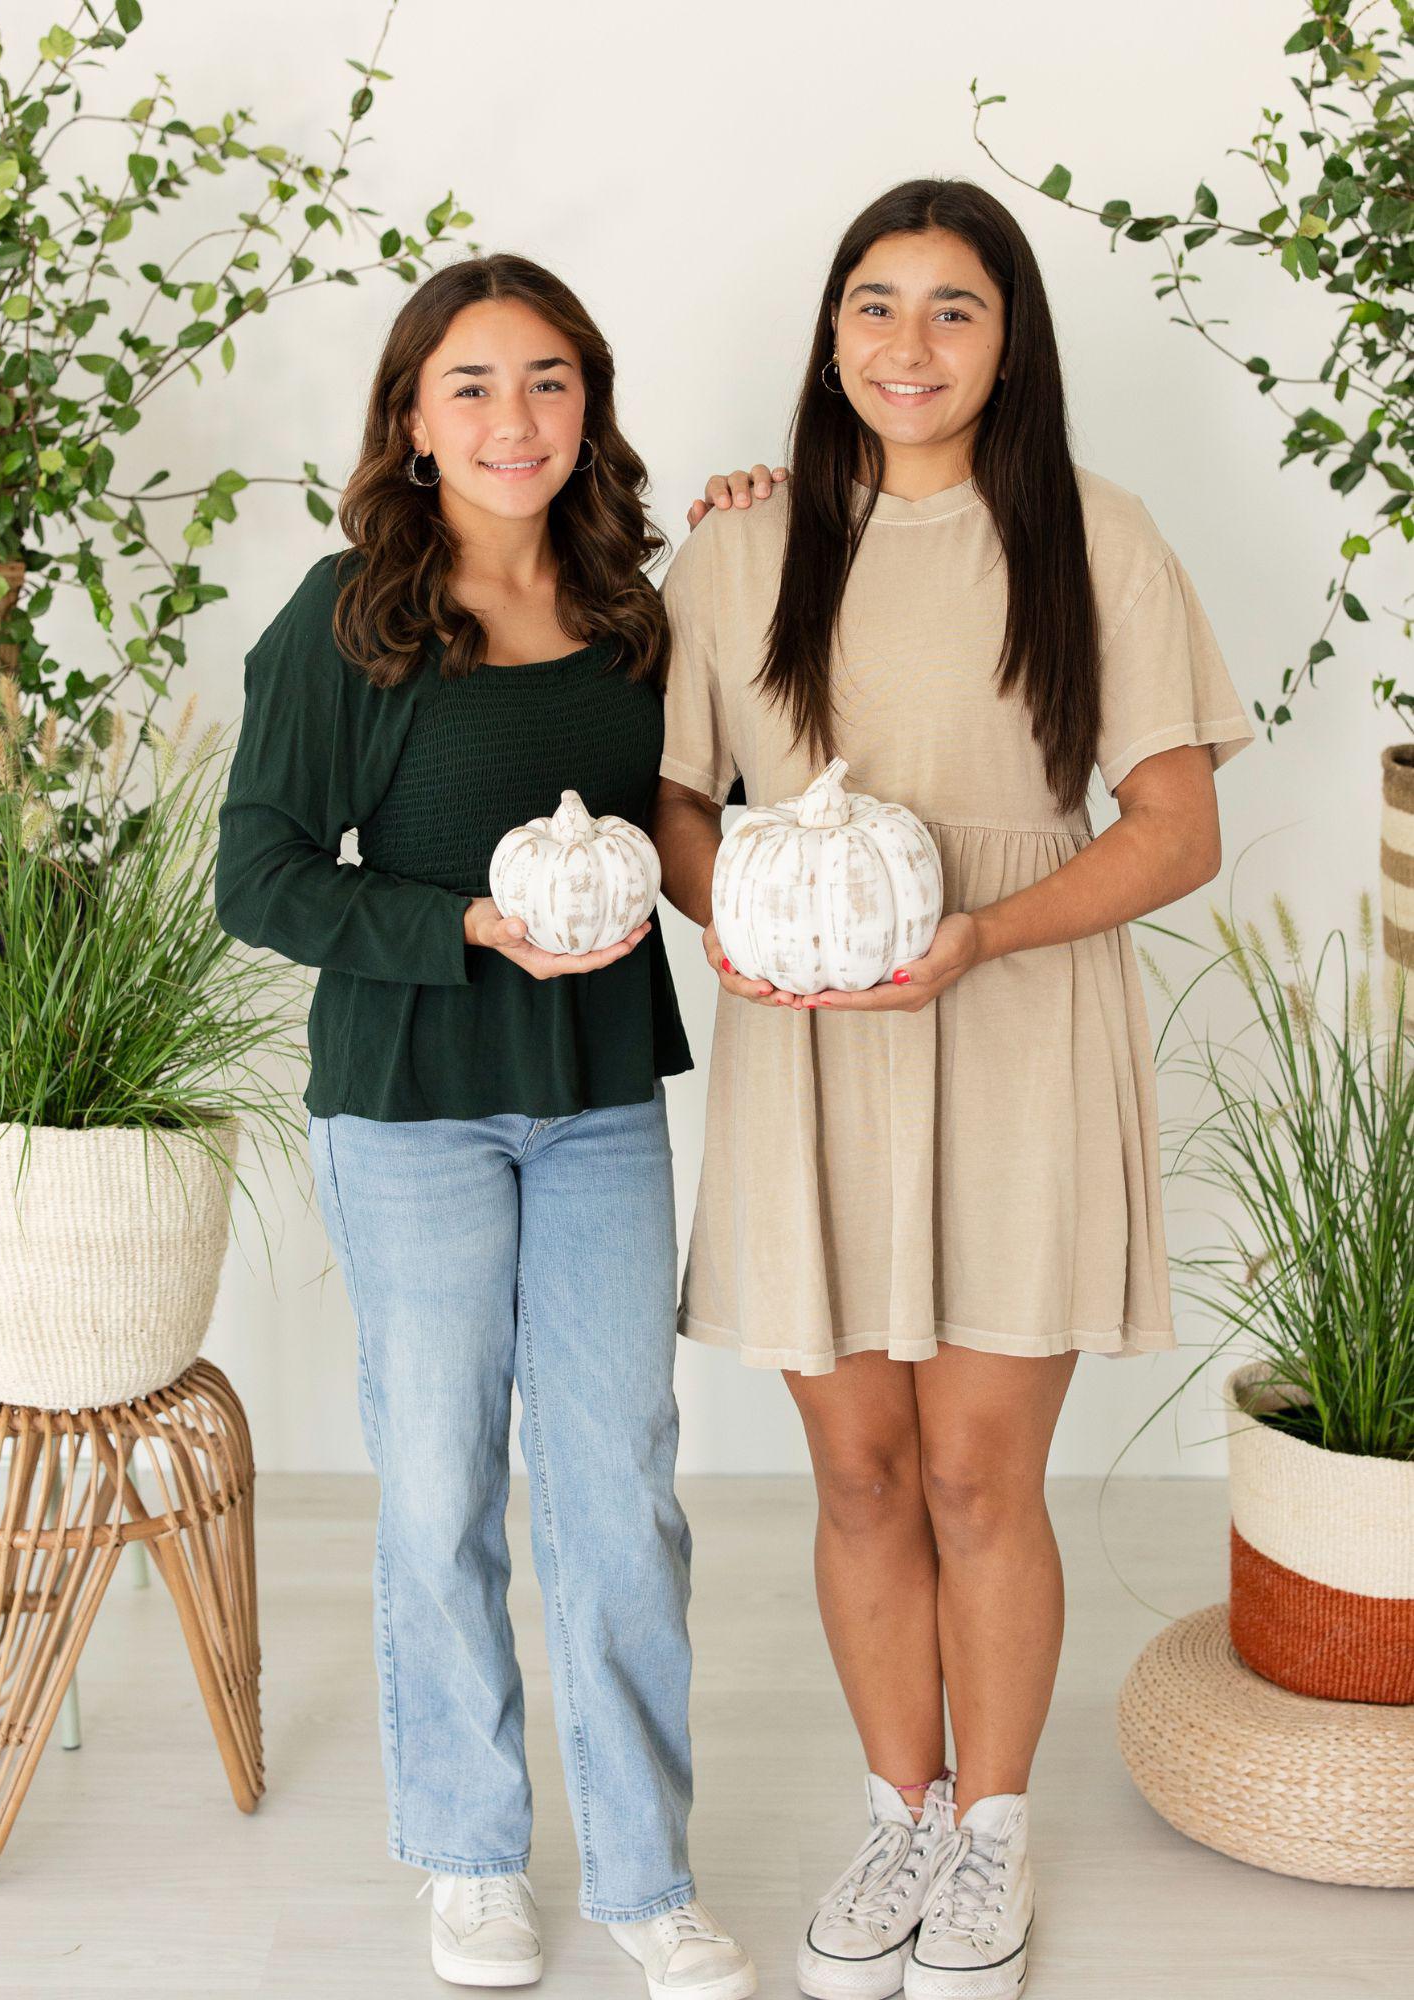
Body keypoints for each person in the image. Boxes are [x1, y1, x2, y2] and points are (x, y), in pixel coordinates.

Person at [658, 178, 1255, 2000]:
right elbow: (680, 802)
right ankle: (896, 1806)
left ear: (1012, 343)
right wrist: (735, 919)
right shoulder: (738, 553)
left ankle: (988, 1838)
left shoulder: (1094, 536)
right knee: (856, 1478)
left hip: (1011, 1032)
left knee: (983, 1479)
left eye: (952, 310)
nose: (905, 345)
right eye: (873, 304)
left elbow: (1176, 833)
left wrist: (981, 937)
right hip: (812, 1046)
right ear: (828, 329)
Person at [214, 252, 757, 2000]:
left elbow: (714, 807)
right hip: (412, 1108)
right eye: (471, 383)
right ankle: (466, 1857)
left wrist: (759, 534)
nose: (510, 417)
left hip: (599, 1100)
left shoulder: (643, 615)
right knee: (439, 1487)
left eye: (545, 381)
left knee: (618, 1492)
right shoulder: (348, 615)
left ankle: (645, 1870)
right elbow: (260, 875)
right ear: (410, 415)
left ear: (586, 404)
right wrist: (459, 924)